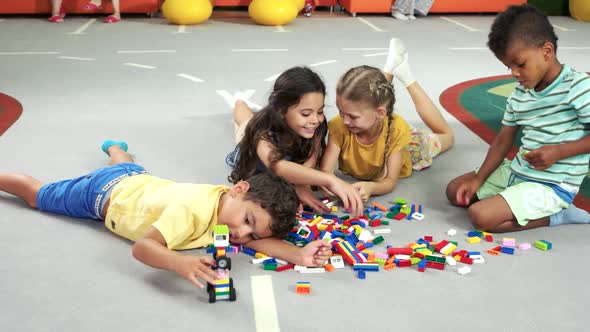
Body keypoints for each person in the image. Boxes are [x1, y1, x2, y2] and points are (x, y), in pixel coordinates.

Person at [0, 141, 331, 288]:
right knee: (36, 195)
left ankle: (116, 150)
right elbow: (142, 247)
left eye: (251, 233)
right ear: (239, 189)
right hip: (100, 196)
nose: (242, 236)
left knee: (125, 164)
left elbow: (263, 241)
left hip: (137, 180)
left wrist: (299, 253)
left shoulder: (229, 207)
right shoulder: (190, 211)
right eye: (247, 223)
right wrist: (179, 262)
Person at [446, 4, 590, 233]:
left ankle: (560, 214)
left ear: (547, 51)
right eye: (508, 66)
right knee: (455, 191)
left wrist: (559, 152)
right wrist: (479, 178)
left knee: (480, 216)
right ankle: (511, 198)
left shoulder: (579, 87)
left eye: (520, 64)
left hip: (552, 185)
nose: (514, 73)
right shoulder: (520, 94)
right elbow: (503, 139)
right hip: (517, 171)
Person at [320, 38, 454, 202]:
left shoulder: (396, 131)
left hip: (410, 145)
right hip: (378, 121)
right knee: (373, 99)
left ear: (380, 113)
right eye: (341, 112)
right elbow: (325, 172)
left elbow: (390, 181)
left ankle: (407, 77)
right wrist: (331, 184)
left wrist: (372, 188)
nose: (345, 120)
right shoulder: (339, 126)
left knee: (447, 136)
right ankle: (389, 70)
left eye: (353, 116)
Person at [225, 66, 364, 217]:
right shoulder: (262, 133)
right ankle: (240, 103)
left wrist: (301, 185)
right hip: (251, 144)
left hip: (283, 136)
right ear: (282, 111)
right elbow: (278, 166)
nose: (315, 120)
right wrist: (330, 179)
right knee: (246, 123)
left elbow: (310, 161)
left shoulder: (316, 125)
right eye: (306, 114)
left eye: (320, 111)